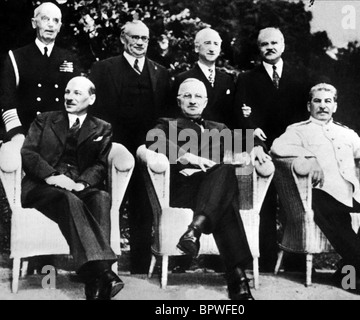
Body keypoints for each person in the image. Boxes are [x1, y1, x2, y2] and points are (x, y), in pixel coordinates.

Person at [271, 83, 360, 299]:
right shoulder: (298, 130)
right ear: (309, 105)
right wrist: (309, 157)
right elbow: (277, 147)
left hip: (352, 193)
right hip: (320, 193)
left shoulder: (345, 132)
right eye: (318, 101)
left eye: (328, 101)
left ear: (335, 106)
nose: (323, 106)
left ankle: (346, 270)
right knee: (337, 217)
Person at [146, 78, 271, 300]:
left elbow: (245, 140)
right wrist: (188, 157)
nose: (193, 101)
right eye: (187, 96)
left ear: (205, 102)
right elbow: (153, 142)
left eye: (197, 97)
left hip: (212, 192)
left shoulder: (219, 128)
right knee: (225, 186)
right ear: (178, 101)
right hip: (183, 189)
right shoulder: (166, 124)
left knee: (224, 173)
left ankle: (194, 230)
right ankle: (237, 278)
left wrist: (258, 147)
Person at [21, 76, 124, 300]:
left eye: (77, 93)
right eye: (68, 92)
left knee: (101, 197)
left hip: (78, 184)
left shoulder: (102, 128)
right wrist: (53, 177)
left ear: (91, 98)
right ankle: (103, 272)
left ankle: (95, 286)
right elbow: (29, 153)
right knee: (68, 199)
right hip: (42, 187)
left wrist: (82, 183)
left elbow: (100, 163)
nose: (69, 97)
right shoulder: (45, 120)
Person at [89, 20, 171, 273]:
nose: (139, 42)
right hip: (112, 149)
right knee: (107, 204)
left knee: (143, 205)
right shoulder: (103, 69)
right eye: (134, 37)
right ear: (123, 39)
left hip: (147, 150)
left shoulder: (160, 72)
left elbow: (166, 115)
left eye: (144, 38)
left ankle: (140, 266)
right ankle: (101, 266)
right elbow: (93, 112)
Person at [234, 27, 311, 272]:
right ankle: (265, 261)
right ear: (259, 49)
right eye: (264, 44)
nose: (270, 47)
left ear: (283, 45)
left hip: (292, 151)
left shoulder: (301, 77)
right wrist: (253, 134)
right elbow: (240, 114)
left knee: (296, 204)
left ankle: (296, 260)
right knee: (264, 205)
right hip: (263, 151)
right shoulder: (246, 78)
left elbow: (307, 116)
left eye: (275, 42)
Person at [0, 2, 81, 143]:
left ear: (60, 27)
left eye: (55, 21)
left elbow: (78, 101)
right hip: (26, 135)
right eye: (45, 19)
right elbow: (7, 101)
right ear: (34, 23)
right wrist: (16, 135)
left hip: (62, 136)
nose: (50, 25)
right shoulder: (16, 57)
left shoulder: (69, 58)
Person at [172, 28, 235, 127]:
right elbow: (174, 114)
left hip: (222, 138)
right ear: (197, 47)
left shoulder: (227, 79)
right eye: (207, 43)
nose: (211, 48)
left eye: (216, 44)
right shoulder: (183, 78)